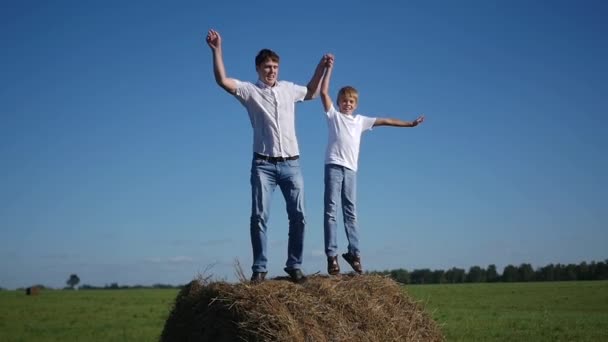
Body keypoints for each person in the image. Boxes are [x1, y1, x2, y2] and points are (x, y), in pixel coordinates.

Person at [206, 29, 329, 283]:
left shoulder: (288, 89)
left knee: (299, 216)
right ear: (258, 68)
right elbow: (222, 81)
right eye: (267, 66)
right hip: (263, 164)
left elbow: (312, 92)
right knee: (259, 216)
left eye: (274, 66)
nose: (271, 70)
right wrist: (217, 50)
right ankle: (259, 268)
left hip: (292, 164)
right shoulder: (249, 91)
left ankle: (294, 265)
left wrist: (321, 68)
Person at [319, 55, 425, 275]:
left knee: (351, 212)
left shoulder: (361, 121)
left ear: (356, 104)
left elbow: (386, 121)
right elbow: (322, 92)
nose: (347, 104)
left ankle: (354, 253)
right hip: (333, 166)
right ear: (339, 102)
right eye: (344, 100)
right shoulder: (334, 117)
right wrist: (328, 69)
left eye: (351, 101)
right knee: (331, 210)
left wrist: (409, 124)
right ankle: (332, 256)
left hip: (350, 170)